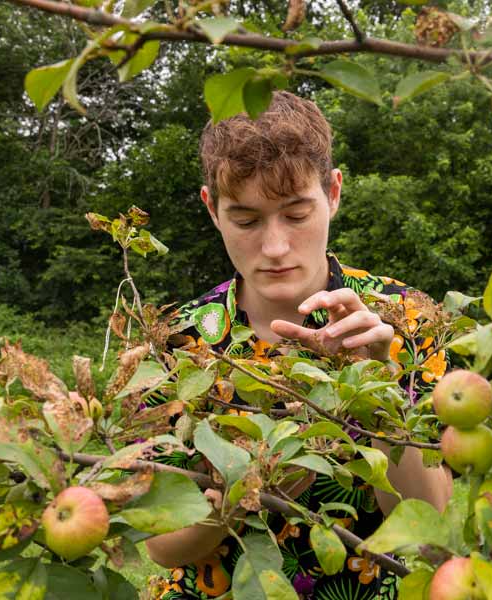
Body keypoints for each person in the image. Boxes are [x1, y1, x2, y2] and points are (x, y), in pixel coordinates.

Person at [145, 91, 452, 599]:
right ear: (212, 209)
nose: (275, 247)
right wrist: (250, 492)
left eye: (295, 214)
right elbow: (161, 543)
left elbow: (428, 519)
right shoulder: (181, 341)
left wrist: (383, 387)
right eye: (246, 220)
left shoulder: (406, 318)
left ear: (333, 193)